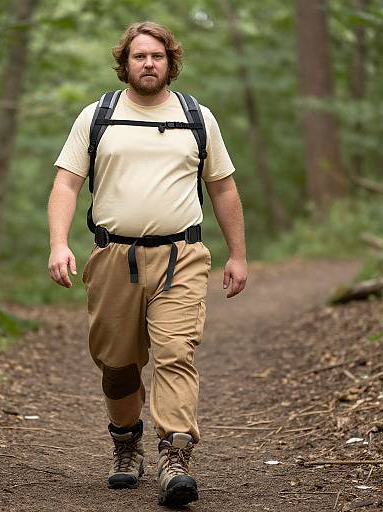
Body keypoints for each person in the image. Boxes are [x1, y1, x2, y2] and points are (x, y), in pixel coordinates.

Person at [47, 21, 247, 507]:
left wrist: (238, 254)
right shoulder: (97, 116)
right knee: (118, 367)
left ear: (170, 62)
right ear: (125, 63)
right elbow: (66, 184)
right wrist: (58, 243)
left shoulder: (199, 118)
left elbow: (222, 188)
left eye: (157, 56)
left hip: (183, 255)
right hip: (113, 255)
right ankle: (126, 442)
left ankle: (175, 456)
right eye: (139, 56)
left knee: (176, 352)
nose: (149, 63)